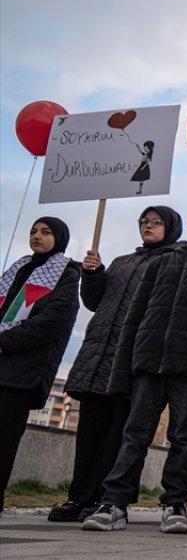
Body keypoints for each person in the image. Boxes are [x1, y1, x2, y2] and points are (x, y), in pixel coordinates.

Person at [82, 201, 187, 532]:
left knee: (182, 436)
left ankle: (175, 504)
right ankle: (114, 502)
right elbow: (134, 316)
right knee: (134, 433)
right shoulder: (163, 262)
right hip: (149, 362)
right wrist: (124, 367)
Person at [50, 206, 182, 523]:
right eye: (144, 222)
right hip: (98, 357)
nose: (148, 227)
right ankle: (78, 497)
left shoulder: (174, 263)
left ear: (172, 228)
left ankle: (108, 498)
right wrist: (93, 274)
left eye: (156, 222)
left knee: (120, 435)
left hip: (132, 359)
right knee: (90, 432)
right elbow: (96, 302)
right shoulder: (123, 262)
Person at [0, 217, 81, 512]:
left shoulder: (66, 274)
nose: (37, 236)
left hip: (23, 371)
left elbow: (50, 322)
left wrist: (4, 342)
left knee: (4, 441)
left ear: (60, 238)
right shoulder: (18, 268)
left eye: (46, 232)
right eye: (34, 231)